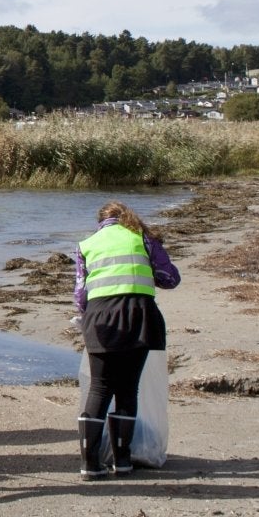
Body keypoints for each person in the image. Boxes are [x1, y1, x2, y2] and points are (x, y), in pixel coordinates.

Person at [73, 201, 180, 479]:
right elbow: (170, 279)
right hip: (139, 318)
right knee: (127, 389)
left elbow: (80, 296)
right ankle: (122, 461)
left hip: (100, 321)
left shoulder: (86, 245)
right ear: (127, 218)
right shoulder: (143, 239)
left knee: (99, 388)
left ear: (100, 221)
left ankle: (89, 463)